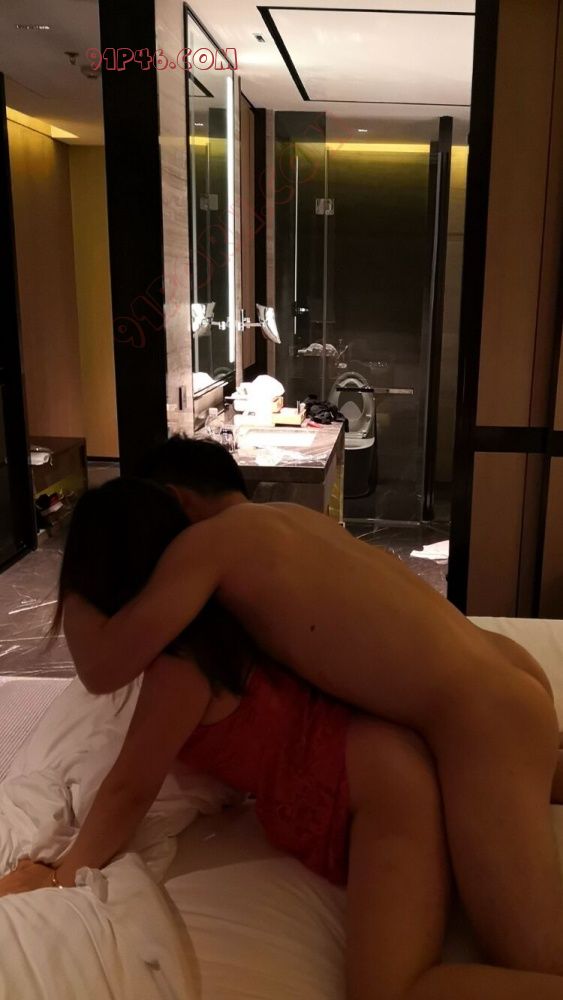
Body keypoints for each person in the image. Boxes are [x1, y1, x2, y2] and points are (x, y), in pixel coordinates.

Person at [59, 437, 563, 998]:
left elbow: (102, 668)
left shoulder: (208, 545)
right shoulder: (291, 521)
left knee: (537, 959)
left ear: (177, 500)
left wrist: (76, 569)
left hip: (481, 722)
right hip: (503, 674)